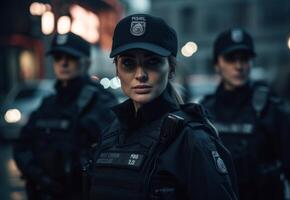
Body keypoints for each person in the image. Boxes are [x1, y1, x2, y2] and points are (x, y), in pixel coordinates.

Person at [86, 14, 238, 200]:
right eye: (128, 63)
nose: (140, 74)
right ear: (117, 69)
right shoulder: (110, 134)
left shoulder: (192, 139)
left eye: (152, 61)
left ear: (171, 68)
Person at [13, 32, 118, 200]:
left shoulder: (101, 103)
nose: (63, 63)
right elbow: (22, 146)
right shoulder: (48, 104)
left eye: (71, 57)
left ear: (87, 62)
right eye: (57, 57)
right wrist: (41, 178)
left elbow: (114, 156)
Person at [201, 28, 290, 200]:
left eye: (244, 59)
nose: (238, 66)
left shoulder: (271, 108)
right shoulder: (205, 110)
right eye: (231, 59)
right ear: (217, 64)